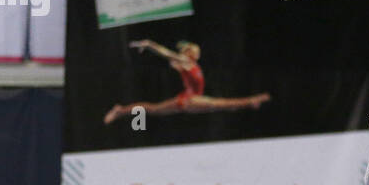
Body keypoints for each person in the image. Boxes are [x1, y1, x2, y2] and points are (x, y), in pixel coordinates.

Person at [103, 39, 271, 124]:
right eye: (195, 51)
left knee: (152, 110)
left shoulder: (190, 64)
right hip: (190, 99)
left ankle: (121, 110)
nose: (198, 53)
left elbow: (174, 64)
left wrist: (177, 67)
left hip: (185, 99)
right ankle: (251, 101)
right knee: (220, 104)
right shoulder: (186, 61)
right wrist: (149, 45)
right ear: (189, 53)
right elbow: (167, 54)